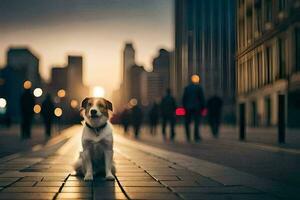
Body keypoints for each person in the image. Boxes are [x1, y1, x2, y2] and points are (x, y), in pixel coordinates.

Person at [182, 75, 205, 142]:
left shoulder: (187, 88)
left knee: (187, 122)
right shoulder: (199, 88)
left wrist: (184, 107)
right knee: (197, 122)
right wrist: (203, 107)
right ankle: (196, 136)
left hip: (188, 107)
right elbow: (202, 98)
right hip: (197, 107)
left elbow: (184, 98)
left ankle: (188, 136)